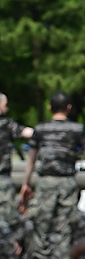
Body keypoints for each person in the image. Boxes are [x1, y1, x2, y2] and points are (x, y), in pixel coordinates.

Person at [18, 92, 85, 259]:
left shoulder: (40, 129)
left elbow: (31, 159)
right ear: (69, 108)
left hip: (46, 181)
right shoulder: (77, 129)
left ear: (49, 108)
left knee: (41, 224)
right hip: (67, 181)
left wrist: (26, 183)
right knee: (64, 226)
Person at [0, 92, 35, 228]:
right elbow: (27, 132)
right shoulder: (5, 124)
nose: (7, 109)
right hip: (2, 179)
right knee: (5, 221)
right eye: (5, 105)